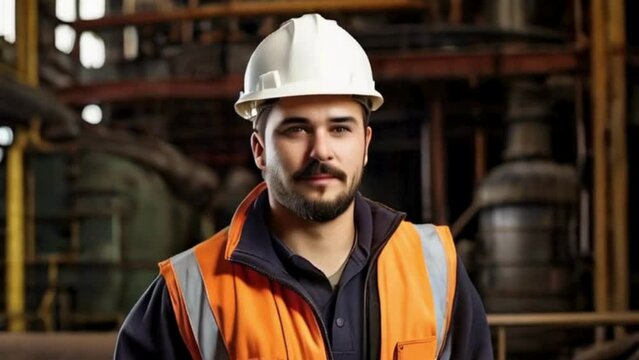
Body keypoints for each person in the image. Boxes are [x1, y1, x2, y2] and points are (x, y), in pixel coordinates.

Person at [115, 13, 493, 360]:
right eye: (297, 129)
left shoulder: (435, 270)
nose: (321, 151)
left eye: (340, 128)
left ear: (365, 144)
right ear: (260, 150)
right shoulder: (190, 293)